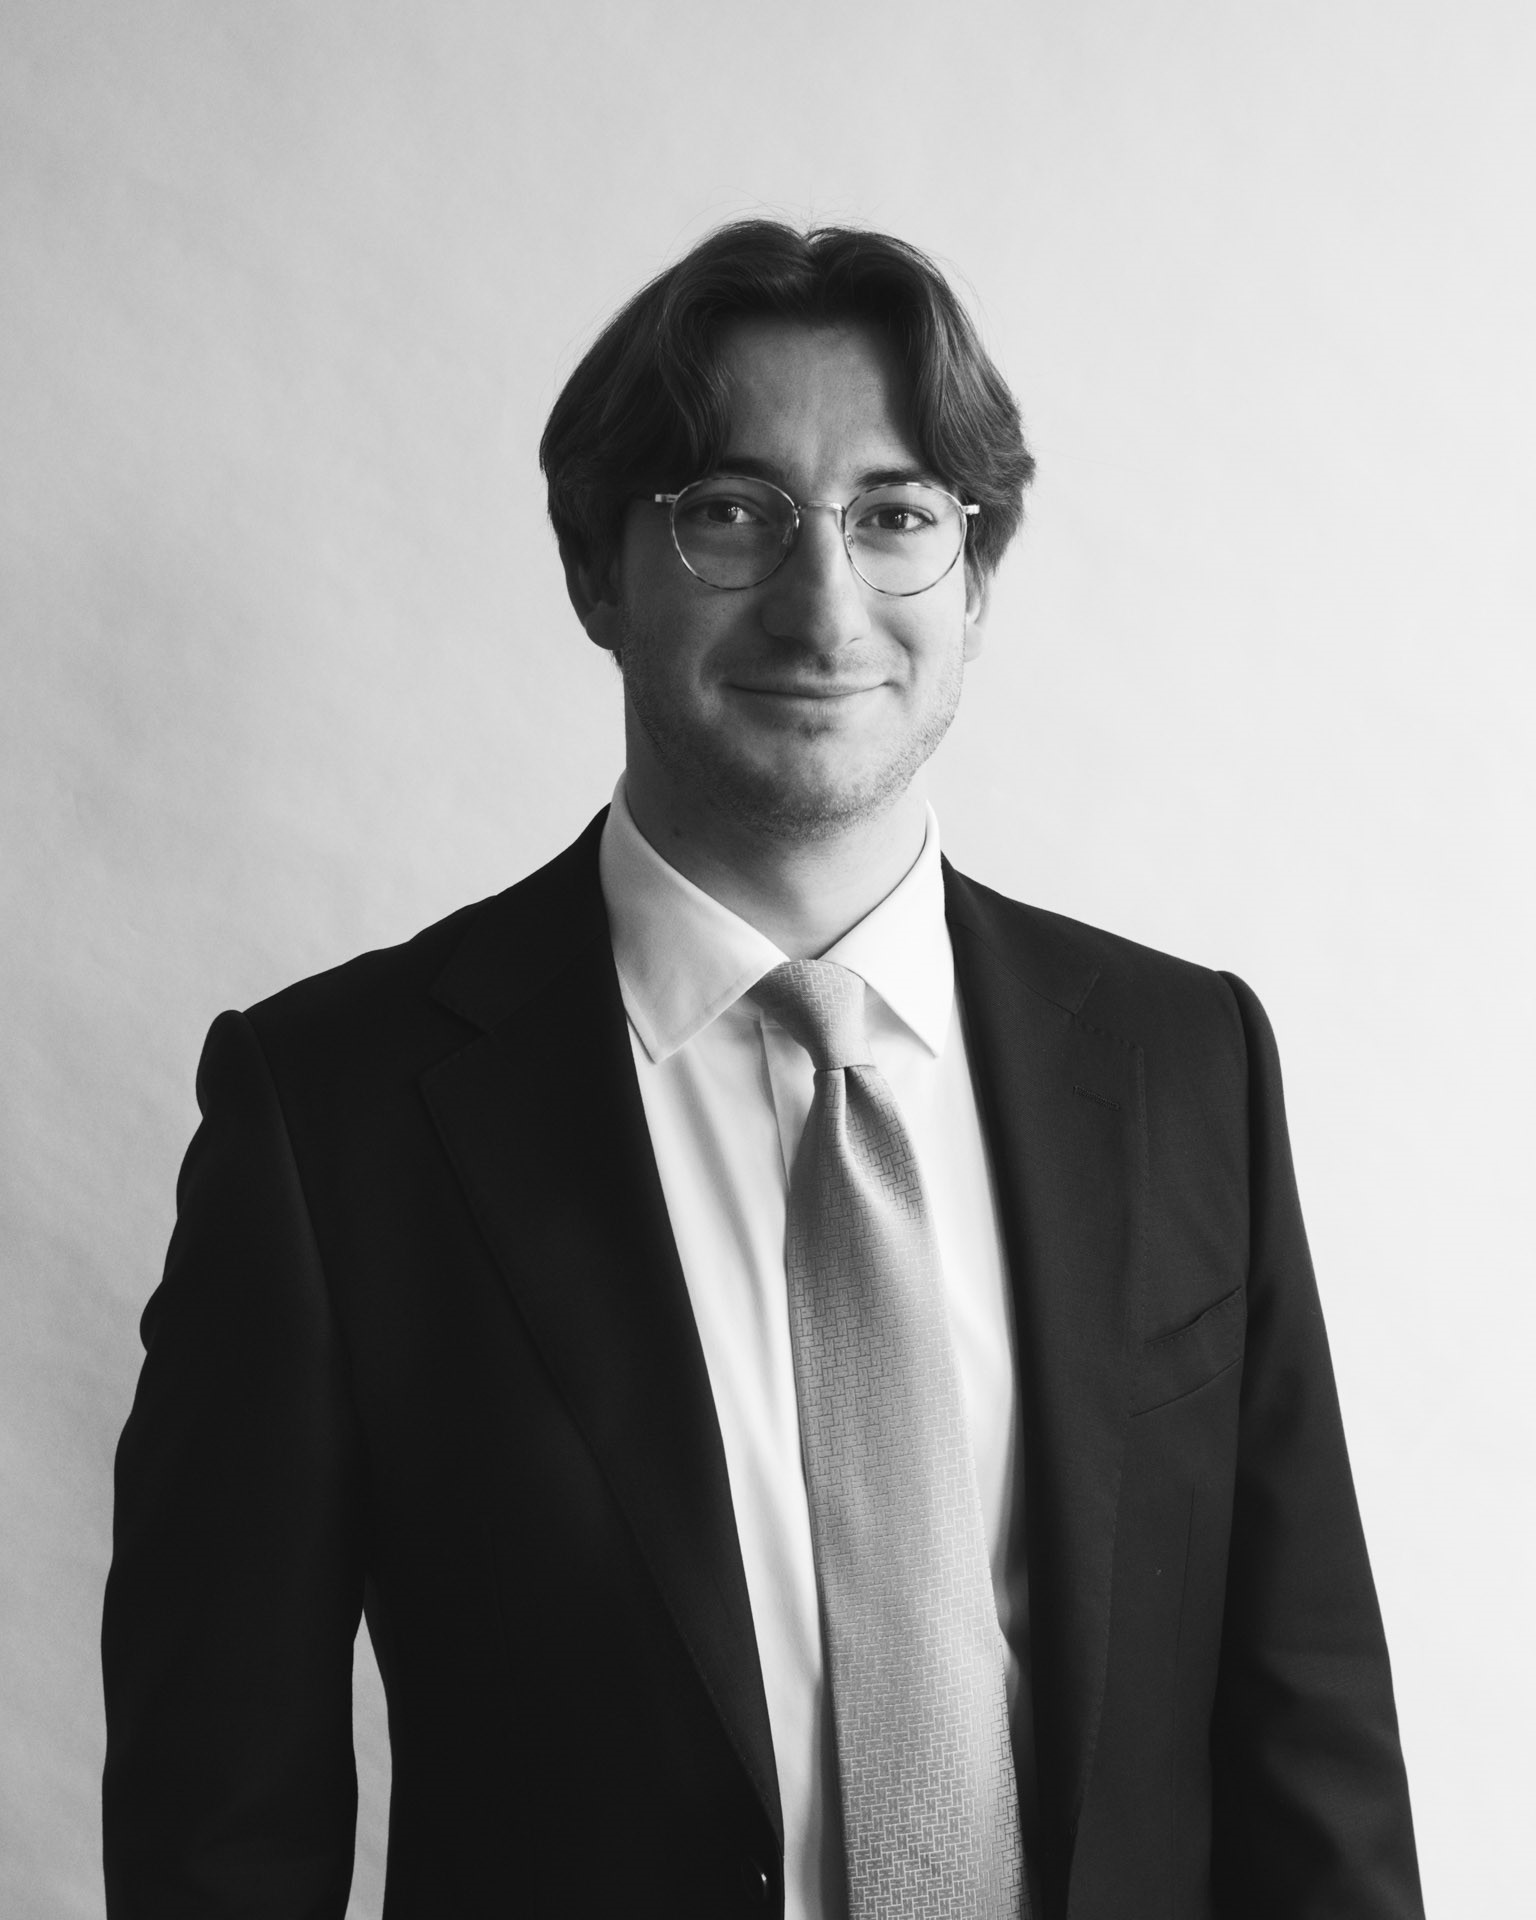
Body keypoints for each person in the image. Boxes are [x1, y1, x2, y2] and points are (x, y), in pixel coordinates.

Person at [102, 221, 1424, 1920]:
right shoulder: (333, 1118)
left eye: (897, 516)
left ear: (974, 579)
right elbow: (219, 1833)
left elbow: (1314, 1751)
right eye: (731, 513)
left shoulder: (1187, 1066)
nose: (825, 603)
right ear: (598, 572)